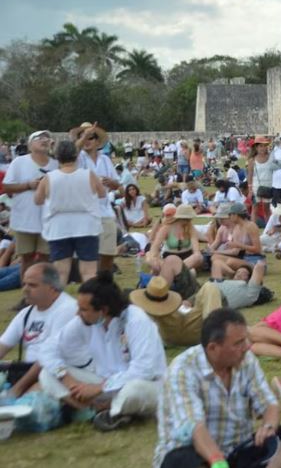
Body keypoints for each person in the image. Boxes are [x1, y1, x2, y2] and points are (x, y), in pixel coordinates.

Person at [154, 308, 281, 468]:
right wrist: (218, 461)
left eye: (246, 340)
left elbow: (269, 404)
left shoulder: (246, 360)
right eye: (238, 343)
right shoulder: (183, 369)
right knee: (181, 462)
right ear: (213, 348)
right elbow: (194, 428)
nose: (246, 347)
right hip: (198, 454)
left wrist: (268, 427)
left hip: (238, 450)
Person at [39, 271, 166, 431]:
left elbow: (144, 369)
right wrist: (68, 380)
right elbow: (48, 348)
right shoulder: (85, 321)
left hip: (146, 385)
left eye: (83, 309)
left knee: (132, 391)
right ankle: (95, 411)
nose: (78, 313)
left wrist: (99, 388)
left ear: (103, 310)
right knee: (47, 373)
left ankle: (109, 411)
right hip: (102, 384)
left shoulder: (136, 320)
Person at [0, 263, 79, 399]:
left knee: (30, 401)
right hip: (27, 371)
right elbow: (3, 346)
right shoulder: (26, 312)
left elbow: (49, 358)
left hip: (56, 372)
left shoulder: (68, 309)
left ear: (52, 287)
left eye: (32, 285)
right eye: (24, 284)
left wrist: (17, 390)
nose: (25, 289)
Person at [35, 140, 106, 284]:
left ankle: (58, 304)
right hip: (86, 226)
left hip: (59, 228)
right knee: (89, 272)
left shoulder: (48, 178)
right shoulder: (89, 175)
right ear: (76, 155)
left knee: (60, 272)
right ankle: (92, 303)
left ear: (57, 157)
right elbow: (102, 193)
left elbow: (38, 200)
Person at [3, 130, 58, 276]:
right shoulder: (19, 162)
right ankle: (28, 295)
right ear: (29, 145)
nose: (44, 140)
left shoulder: (56, 164)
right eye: (39, 138)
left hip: (48, 220)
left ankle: (43, 293)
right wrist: (28, 185)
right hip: (24, 219)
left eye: (47, 137)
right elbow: (7, 186)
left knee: (46, 257)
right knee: (26, 258)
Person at [73, 123, 120, 273]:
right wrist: (86, 134)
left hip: (105, 210)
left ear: (98, 142)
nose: (86, 140)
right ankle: (91, 283)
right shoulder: (76, 157)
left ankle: (104, 281)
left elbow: (117, 184)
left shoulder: (105, 159)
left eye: (91, 137)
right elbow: (72, 150)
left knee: (108, 252)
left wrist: (111, 182)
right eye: (82, 136)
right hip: (84, 210)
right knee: (89, 254)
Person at [130, 276, 225, 347]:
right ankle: (217, 335)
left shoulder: (140, 313)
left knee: (207, 289)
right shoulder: (144, 316)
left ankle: (216, 334)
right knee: (210, 287)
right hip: (194, 331)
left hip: (170, 334)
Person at [148, 203, 204, 275]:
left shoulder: (190, 227)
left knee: (199, 257)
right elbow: (156, 245)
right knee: (151, 259)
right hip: (170, 257)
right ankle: (178, 272)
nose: (189, 220)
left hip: (187, 257)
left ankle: (171, 272)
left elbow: (195, 246)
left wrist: (197, 252)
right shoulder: (167, 228)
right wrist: (154, 257)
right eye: (187, 219)